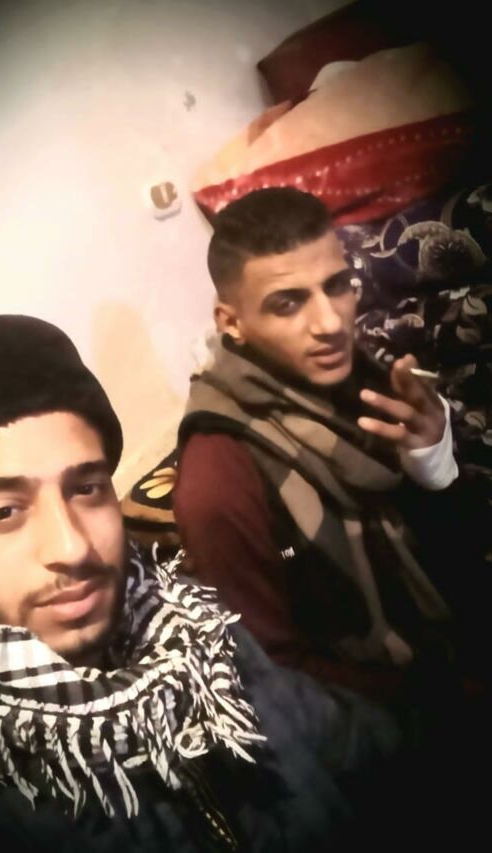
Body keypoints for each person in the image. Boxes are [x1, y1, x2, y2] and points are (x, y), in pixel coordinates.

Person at [0, 314, 402, 852]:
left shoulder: (197, 631)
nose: (72, 547)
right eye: (4, 512)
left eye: (86, 488)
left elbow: (358, 743)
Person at [174, 187, 490, 709]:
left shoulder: (364, 376)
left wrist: (434, 462)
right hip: (391, 717)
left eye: (337, 286)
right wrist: (450, 703)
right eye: (288, 303)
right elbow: (276, 673)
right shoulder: (219, 479)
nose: (330, 323)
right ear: (231, 323)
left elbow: (450, 555)